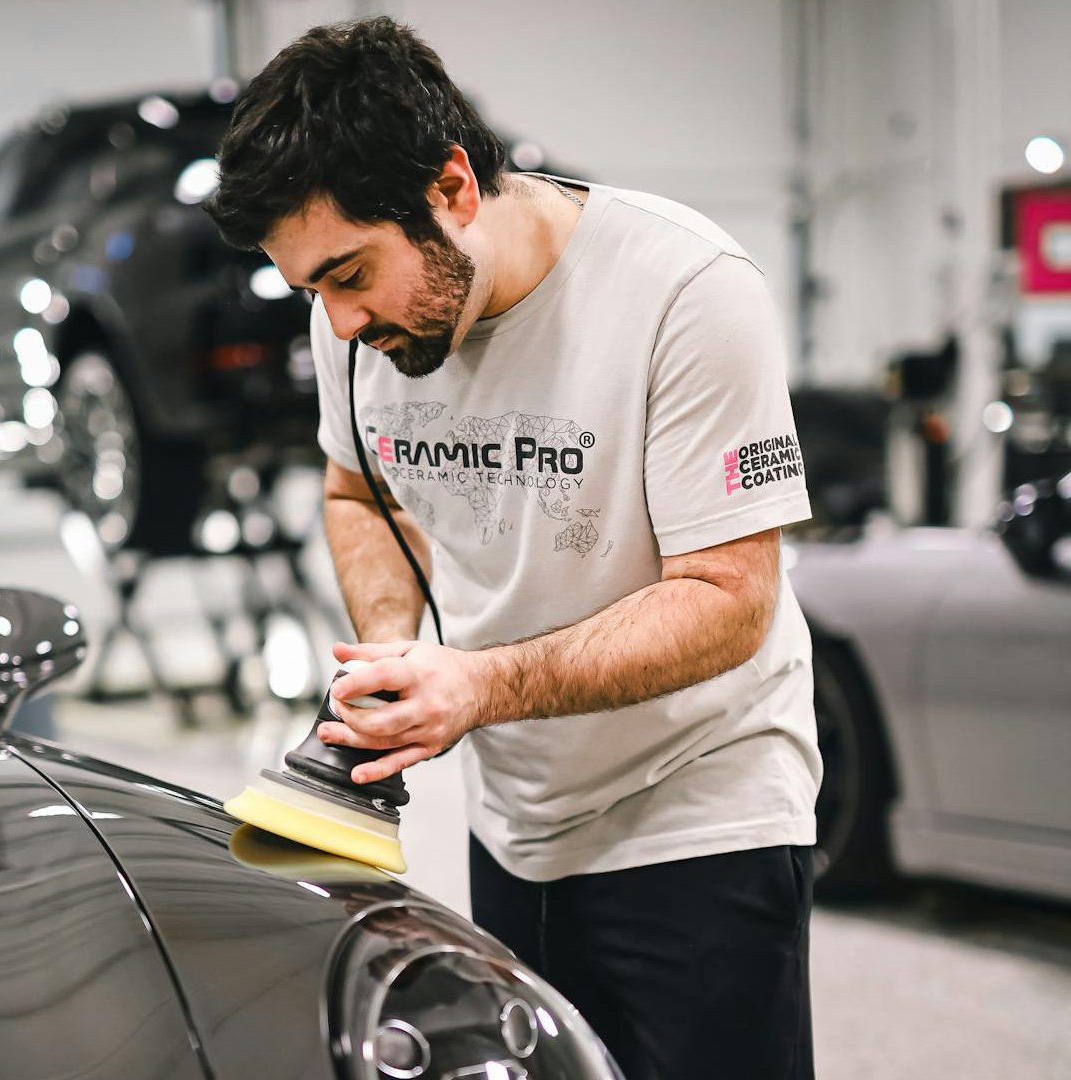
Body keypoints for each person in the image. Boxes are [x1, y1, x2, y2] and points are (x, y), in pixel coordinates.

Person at [207, 16, 818, 1080]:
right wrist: (390, 655)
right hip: (513, 816)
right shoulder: (353, 322)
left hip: (697, 810)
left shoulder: (684, 293)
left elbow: (727, 597)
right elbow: (360, 495)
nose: (338, 322)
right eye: (313, 290)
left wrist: (479, 686)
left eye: (349, 273)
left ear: (450, 187)